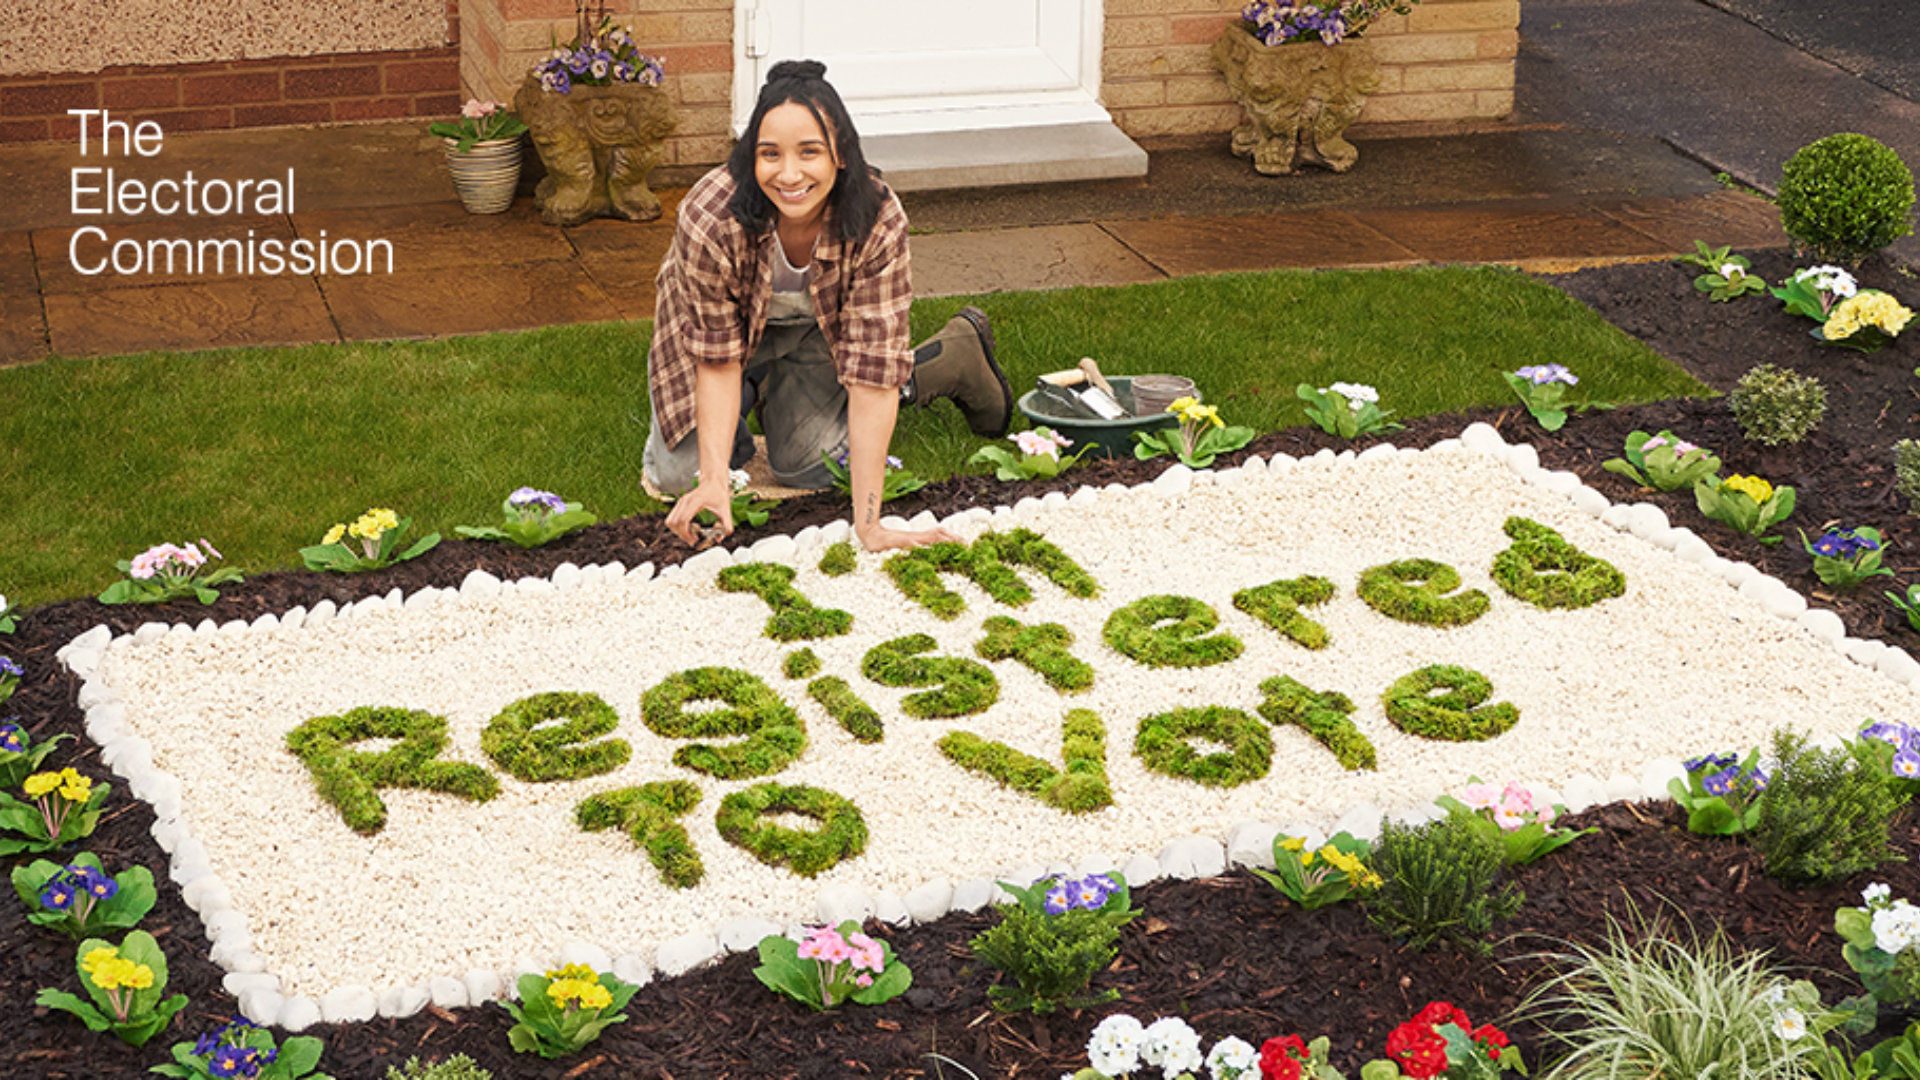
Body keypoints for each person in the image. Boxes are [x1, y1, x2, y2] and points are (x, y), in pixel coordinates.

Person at [644, 59, 1013, 552]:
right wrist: (712, 479)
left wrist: (870, 525)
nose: (789, 174)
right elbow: (715, 357)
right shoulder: (711, 214)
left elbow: (873, 370)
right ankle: (748, 397)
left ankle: (948, 360)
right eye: (770, 153)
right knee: (679, 478)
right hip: (720, 339)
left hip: (817, 330)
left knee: (809, 466)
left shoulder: (876, 218)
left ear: (840, 153)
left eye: (809, 152)